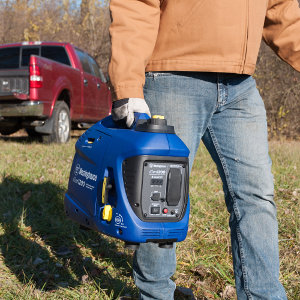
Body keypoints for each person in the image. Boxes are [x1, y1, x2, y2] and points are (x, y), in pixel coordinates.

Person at [108, 1, 300, 299]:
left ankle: (263, 295)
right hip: (172, 76)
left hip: (240, 84)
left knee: (256, 195)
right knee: (158, 197)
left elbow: (283, 13)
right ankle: (155, 293)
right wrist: (128, 82)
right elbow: (136, 4)